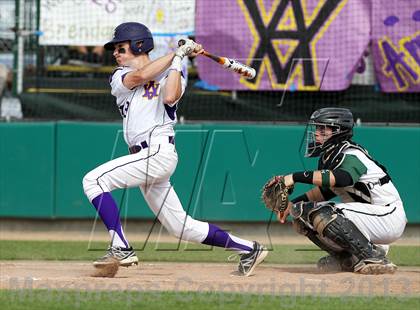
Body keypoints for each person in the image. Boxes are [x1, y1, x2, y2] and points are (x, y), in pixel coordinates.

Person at [82, 22, 267, 276]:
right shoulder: (118, 76)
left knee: (93, 181)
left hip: (158, 152)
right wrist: (177, 53)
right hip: (143, 156)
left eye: (120, 48)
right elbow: (140, 77)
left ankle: (120, 246)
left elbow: (169, 97)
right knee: (181, 227)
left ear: (139, 45)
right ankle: (250, 249)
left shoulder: (174, 69)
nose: (115, 53)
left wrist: (178, 60)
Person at [275, 107, 407, 274]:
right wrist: (292, 204)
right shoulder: (331, 155)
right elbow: (326, 191)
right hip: (369, 218)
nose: (316, 133)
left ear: (338, 131)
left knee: (323, 212)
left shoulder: (351, 153)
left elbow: (343, 178)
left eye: (323, 128)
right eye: (317, 128)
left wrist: (294, 177)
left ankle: (373, 256)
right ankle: (348, 258)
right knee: (300, 213)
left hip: (388, 216)